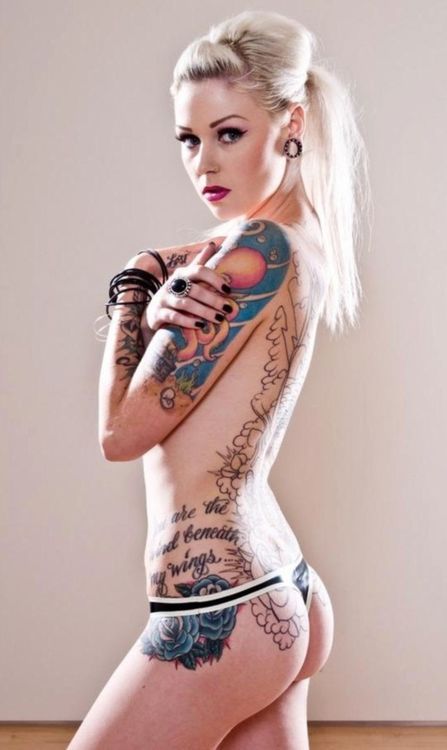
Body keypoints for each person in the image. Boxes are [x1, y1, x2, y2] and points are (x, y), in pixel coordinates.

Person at [69, 9, 370, 750]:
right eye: (188, 138)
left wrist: (131, 288)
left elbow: (120, 434)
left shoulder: (254, 248)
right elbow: (188, 262)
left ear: (290, 123)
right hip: (278, 582)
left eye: (228, 133)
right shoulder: (292, 240)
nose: (203, 163)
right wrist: (155, 284)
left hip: (222, 606)